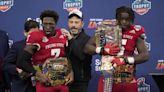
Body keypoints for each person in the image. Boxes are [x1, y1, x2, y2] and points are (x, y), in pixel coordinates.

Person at [84, 6, 149, 92]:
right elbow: (87, 48)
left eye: (127, 19)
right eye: (121, 19)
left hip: (127, 79)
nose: (124, 22)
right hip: (108, 78)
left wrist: (126, 60)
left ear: (132, 19)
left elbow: (145, 55)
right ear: (117, 18)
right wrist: (103, 50)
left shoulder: (136, 31)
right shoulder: (106, 28)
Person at [17, 10, 73, 92]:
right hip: (44, 83)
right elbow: (21, 61)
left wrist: (71, 71)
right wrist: (38, 74)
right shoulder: (36, 36)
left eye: (51, 24)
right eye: (45, 24)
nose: (47, 26)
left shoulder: (62, 34)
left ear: (56, 23)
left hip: (61, 81)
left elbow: (67, 56)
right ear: (41, 23)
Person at [3, 20, 39, 92]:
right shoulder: (17, 46)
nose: (34, 37)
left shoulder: (43, 46)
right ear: (25, 33)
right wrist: (18, 70)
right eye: (31, 34)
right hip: (22, 86)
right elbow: (6, 64)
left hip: (39, 86)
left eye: (37, 34)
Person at [62, 10, 92, 92]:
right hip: (63, 80)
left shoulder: (88, 39)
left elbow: (82, 56)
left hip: (80, 82)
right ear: (68, 23)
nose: (73, 25)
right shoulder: (63, 38)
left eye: (76, 22)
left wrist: (71, 39)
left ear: (82, 24)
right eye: (71, 22)